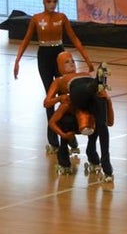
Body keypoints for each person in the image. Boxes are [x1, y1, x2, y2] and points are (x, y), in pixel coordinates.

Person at [13, 0, 95, 155]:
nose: (52, 5)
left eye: (54, 1)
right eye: (49, 1)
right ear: (44, 1)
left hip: (59, 54)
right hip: (43, 56)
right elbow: (26, 40)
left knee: (66, 95)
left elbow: (74, 39)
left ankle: (69, 134)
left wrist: (87, 59)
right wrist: (17, 60)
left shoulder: (62, 18)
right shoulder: (36, 19)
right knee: (49, 95)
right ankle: (52, 138)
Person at [45, 51, 113, 180]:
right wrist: (61, 97)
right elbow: (47, 102)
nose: (71, 63)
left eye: (72, 60)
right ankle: (96, 83)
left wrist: (107, 99)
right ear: (59, 67)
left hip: (91, 96)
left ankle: (107, 165)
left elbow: (110, 122)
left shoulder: (85, 73)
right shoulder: (59, 80)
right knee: (80, 91)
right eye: (66, 62)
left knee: (102, 123)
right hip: (77, 94)